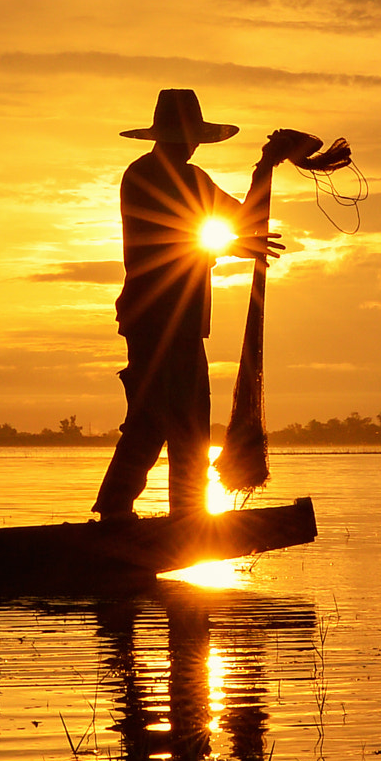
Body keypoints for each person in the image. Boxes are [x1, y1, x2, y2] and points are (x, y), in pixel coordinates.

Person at [92, 89, 285, 521]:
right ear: (172, 138)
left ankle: (147, 511)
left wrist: (266, 166)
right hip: (154, 318)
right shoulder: (143, 177)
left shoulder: (194, 179)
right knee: (174, 421)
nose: (191, 145)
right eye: (188, 137)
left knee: (167, 420)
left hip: (182, 321)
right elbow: (174, 238)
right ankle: (170, 515)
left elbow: (245, 217)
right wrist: (236, 246)